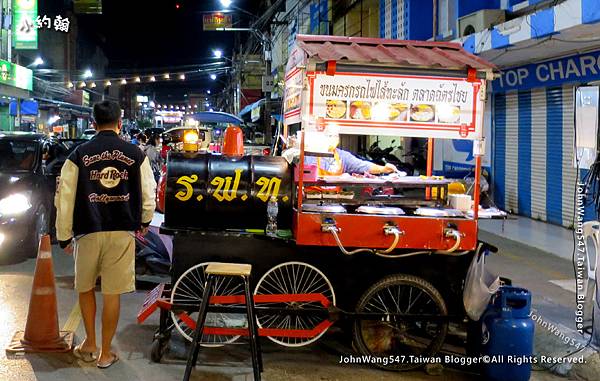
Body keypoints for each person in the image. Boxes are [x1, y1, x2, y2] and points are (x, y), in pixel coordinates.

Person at [55, 100, 156, 369]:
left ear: (93, 124)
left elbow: (64, 198)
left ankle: (89, 342)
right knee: (112, 293)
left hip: (88, 229)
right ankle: (105, 353)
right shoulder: (136, 154)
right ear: (120, 123)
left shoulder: (78, 155)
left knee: (85, 288)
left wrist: (63, 235)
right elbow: (149, 192)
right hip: (122, 231)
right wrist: (145, 220)